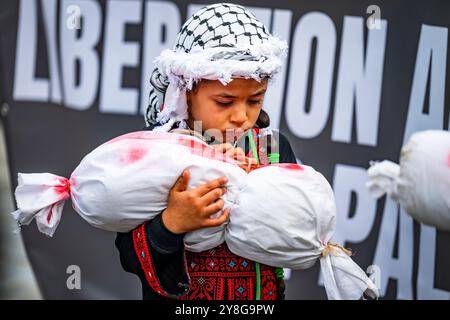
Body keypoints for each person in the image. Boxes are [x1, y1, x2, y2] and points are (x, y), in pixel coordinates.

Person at [115, 3, 297, 300]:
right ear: (185, 92)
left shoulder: (274, 150)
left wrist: (261, 192)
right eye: (225, 102)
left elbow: (291, 234)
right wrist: (172, 223)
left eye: (254, 100)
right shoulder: (159, 154)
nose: (241, 116)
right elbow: (129, 257)